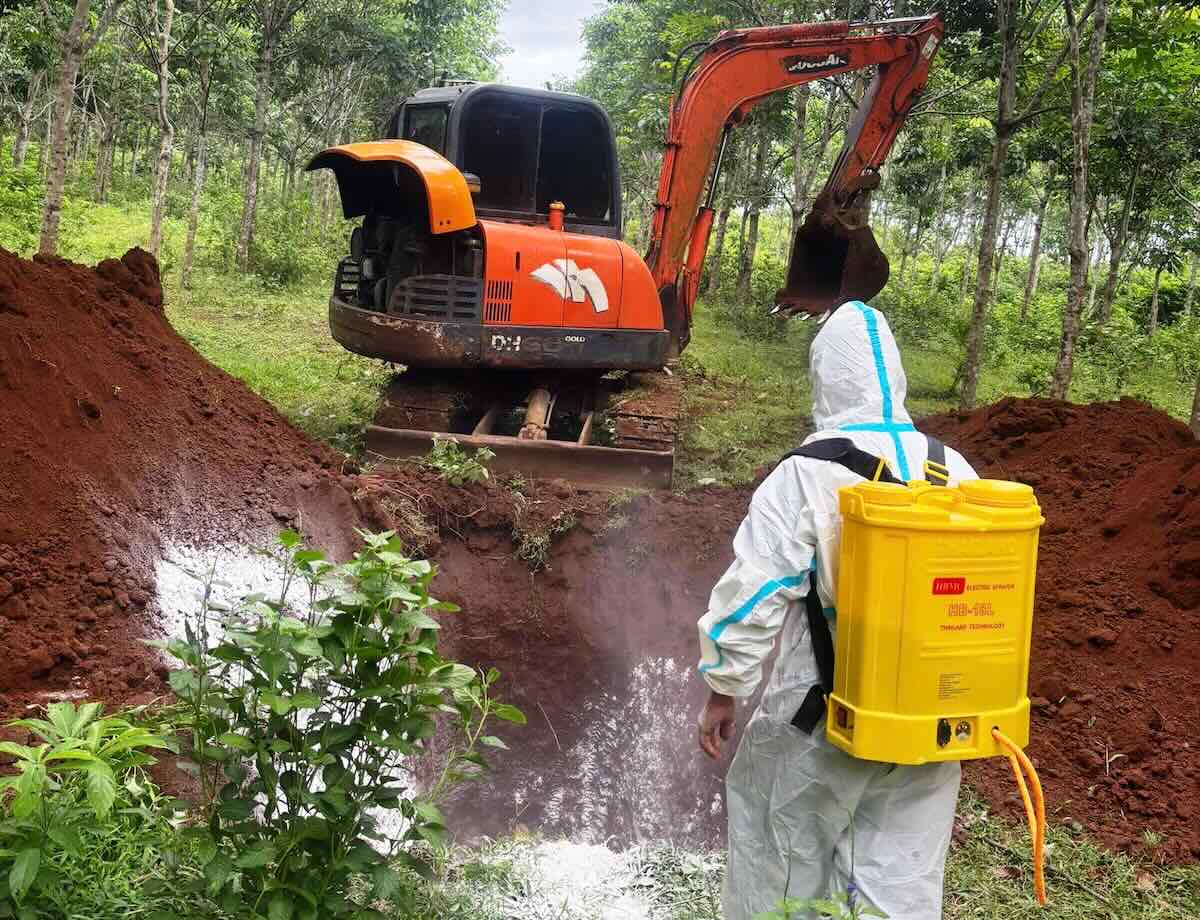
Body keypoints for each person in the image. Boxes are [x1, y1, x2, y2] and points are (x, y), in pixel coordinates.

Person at [696, 299, 978, 920]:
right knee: (899, 880)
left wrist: (724, 689)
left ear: (823, 376)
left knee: (780, 863)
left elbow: (754, 595)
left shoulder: (806, 473)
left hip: (819, 715)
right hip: (931, 717)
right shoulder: (955, 469)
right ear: (897, 377)